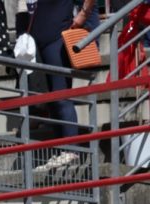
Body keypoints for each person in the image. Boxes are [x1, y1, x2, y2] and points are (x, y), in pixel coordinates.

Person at [17, 0, 93, 167]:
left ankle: (72, 149)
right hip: (37, 41)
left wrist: (83, 14)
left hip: (57, 39)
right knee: (51, 98)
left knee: (61, 95)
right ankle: (62, 149)